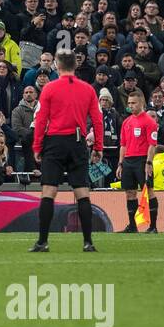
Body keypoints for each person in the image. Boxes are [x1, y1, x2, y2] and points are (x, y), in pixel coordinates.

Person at [29, 48, 105, 252]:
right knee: (82, 191)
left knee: (49, 191)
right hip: (77, 142)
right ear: (75, 65)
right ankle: (88, 242)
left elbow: (41, 119)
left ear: (58, 65)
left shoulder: (50, 89)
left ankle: (42, 242)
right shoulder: (88, 89)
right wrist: (98, 146)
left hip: (54, 142)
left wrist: (37, 146)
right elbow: (97, 120)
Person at [117, 88, 159, 233]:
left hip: (142, 161)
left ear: (141, 103)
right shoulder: (126, 122)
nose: (131, 106)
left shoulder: (149, 122)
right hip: (128, 160)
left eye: (134, 103)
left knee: (149, 191)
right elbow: (123, 144)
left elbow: (152, 144)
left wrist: (149, 162)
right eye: (129, 103)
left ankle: (153, 226)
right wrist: (120, 163)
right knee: (130, 192)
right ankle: (132, 226)